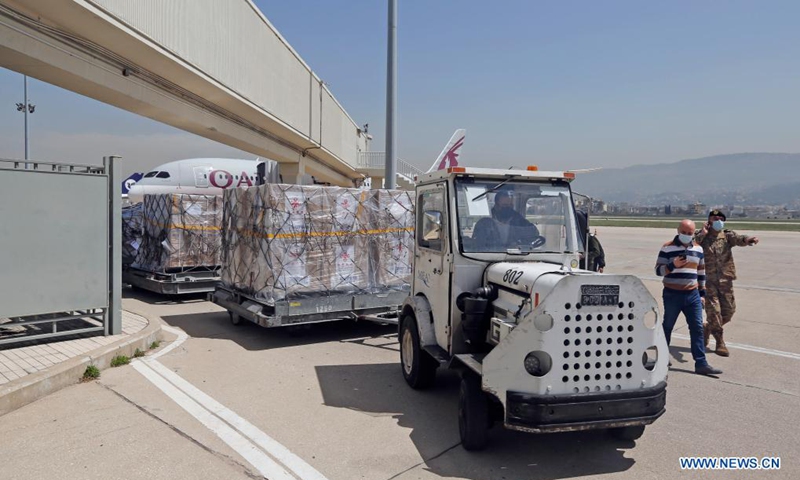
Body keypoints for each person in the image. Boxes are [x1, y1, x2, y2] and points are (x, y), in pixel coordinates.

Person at [655, 219, 722, 376]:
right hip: (672, 293)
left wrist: (702, 294)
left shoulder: (698, 249)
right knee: (667, 326)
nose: (686, 235)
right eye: (684, 232)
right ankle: (663, 357)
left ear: (694, 233)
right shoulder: (667, 247)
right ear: (678, 230)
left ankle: (701, 363)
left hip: (692, 295)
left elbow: (701, 272)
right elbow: (658, 271)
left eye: (690, 233)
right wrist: (673, 265)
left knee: (697, 328)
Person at [694, 209, 759, 357]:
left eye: (720, 218)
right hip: (707, 281)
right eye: (714, 218)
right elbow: (691, 244)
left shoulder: (727, 236)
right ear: (708, 220)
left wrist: (749, 239)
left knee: (729, 312)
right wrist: (703, 233)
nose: (717, 220)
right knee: (714, 312)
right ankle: (720, 341)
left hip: (725, 280)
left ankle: (707, 328)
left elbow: (739, 239)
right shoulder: (701, 236)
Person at [472, 190, 540, 251]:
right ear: (496, 206)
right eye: (504, 205)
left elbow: (534, 233)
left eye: (510, 205)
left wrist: (520, 243)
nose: (508, 208)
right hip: (491, 258)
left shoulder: (518, 220)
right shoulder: (484, 223)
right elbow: (478, 246)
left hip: (514, 257)